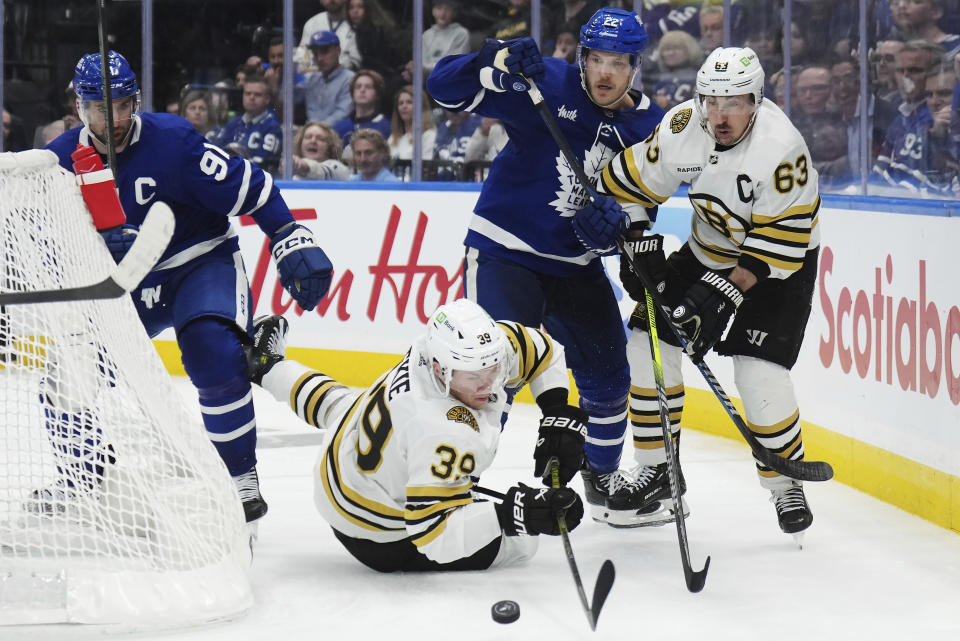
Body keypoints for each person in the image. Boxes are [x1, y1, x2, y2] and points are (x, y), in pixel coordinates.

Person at [44, 50, 333, 524]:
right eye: (101, 107)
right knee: (65, 380)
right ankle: (82, 480)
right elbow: (46, 244)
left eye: (123, 104)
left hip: (197, 264)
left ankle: (239, 480)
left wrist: (289, 235)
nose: (115, 118)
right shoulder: (59, 164)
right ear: (79, 106)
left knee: (212, 353)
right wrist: (92, 248)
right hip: (126, 287)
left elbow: (253, 189)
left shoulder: (174, 141)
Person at [427, 8, 667, 527]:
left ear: (634, 68)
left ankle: (602, 482)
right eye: (595, 59)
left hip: (577, 269)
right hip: (504, 252)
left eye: (618, 63)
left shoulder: (651, 126)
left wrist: (614, 229)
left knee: (608, 381)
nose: (604, 73)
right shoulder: (547, 82)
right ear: (581, 57)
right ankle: (449, 484)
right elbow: (441, 88)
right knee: (489, 373)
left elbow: (640, 211)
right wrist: (489, 58)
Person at [577, 46, 821, 538]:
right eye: (710, 100)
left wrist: (720, 295)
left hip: (776, 266)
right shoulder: (683, 127)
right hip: (709, 248)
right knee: (646, 346)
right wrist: (639, 240)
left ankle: (784, 484)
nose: (719, 115)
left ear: (756, 101)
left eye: (733, 103)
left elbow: (781, 242)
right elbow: (626, 186)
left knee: (758, 376)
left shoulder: (782, 150)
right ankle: (659, 470)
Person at [244, 300, 586, 572]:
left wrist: (556, 410)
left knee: (344, 406)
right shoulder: (442, 430)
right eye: (474, 376)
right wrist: (513, 515)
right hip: (368, 527)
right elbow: (433, 536)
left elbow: (545, 351)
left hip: (347, 448)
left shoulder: (450, 350)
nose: (490, 383)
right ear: (440, 368)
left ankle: (267, 366)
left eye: (494, 367)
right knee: (524, 545)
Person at [208, 75, 283, 174]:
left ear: (267, 99)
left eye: (257, 94)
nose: (251, 97)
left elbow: (265, 165)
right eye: (248, 93)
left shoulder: (272, 128)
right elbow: (215, 151)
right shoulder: (233, 123)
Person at [300, 31, 356, 126]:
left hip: (334, 135)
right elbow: (286, 100)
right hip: (309, 133)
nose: (319, 58)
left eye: (324, 51)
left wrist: (311, 130)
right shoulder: (311, 78)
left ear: (338, 51)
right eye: (315, 53)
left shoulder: (350, 79)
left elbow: (341, 115)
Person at [333, 69, 392, 157]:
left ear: (377, 94)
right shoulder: (339, 127)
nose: (362, 90)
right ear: (352, 93)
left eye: (368, 87)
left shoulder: (386, 127)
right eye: (358, 87)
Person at [387, 84, 437, 164]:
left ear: (421, 106)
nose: (404, 106)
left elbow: (426, 166)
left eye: (409, 102)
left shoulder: (428, 135)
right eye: (400, 103)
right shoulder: (393, 138)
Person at [421, 0, 471, 75]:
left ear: (454, 13)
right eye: (439, 8)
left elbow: (452, 65)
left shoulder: (461, 33)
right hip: (426, 77)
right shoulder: (426, 35)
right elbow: (422, 62)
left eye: (447, 9)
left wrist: (421, 69)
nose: (442, 14)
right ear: (433, 11)